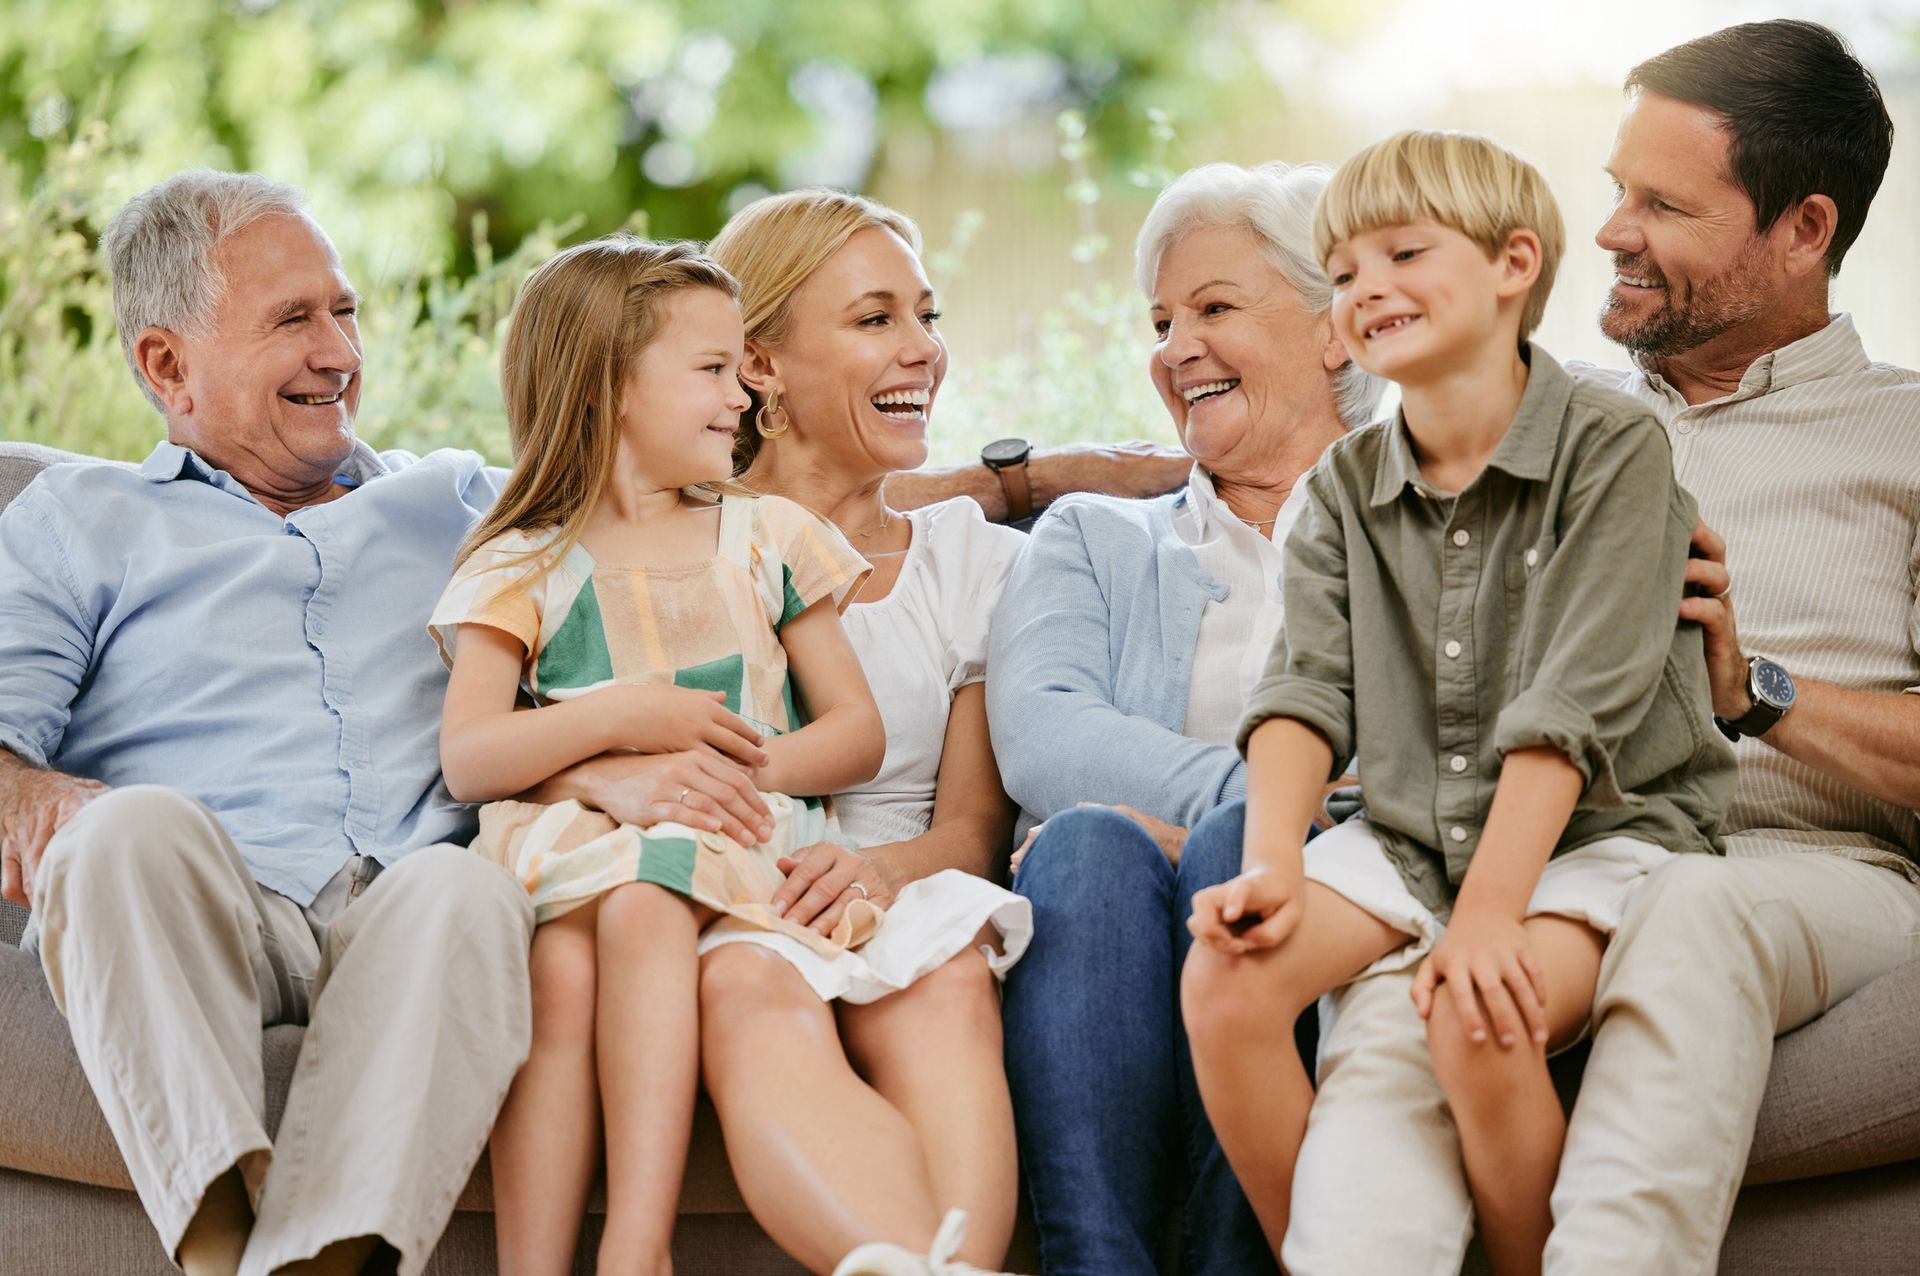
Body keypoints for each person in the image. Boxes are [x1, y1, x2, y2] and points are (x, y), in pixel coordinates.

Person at [1279, 22, 1920, 1276]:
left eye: (1665, 204)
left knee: (1693, 904)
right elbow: (1322, 458)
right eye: (1617, 189)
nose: (1615, 230)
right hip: (1547, 847)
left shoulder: (1904, 438)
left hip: (1802, 867)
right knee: (1407, 994)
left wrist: (1755, 689)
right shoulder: (1537, 412)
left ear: (1804, 229)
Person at [1179, 129, 1736, 1274]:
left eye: (1403, 252)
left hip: (1601, 834)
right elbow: (1303, 688)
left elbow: (1573, 707)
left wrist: (1488, 916)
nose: (1366, 287)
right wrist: (1276, 860)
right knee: (1229, 978)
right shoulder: (1342, 485)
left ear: (1512, 264)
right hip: (1408, 834)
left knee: (1479, 1008)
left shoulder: (1615, 449)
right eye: (1341, 274)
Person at [0, 171, 540, 1276]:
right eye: (294, 319)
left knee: (468, 887)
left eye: (344, 311)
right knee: (117, 833)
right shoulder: (81, 521)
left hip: (401, 898)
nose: (339, 352)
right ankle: (218, 1249)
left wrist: (992, 489)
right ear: (166, 364)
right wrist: (31, 788)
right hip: (200, 906)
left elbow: (730, 509)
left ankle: (313, 1263)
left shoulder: (459, 497)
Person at [985, 160, 1387, 1276]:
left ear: (1338, 329)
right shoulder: (1094, 537)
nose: (1173, 349)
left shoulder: (1419, 528)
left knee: (1228, 851)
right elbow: (1045, 732)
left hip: (1327, 896)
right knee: (1086, 843)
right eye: (1162, 320)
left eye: (1215, 308)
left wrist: (1242, 832)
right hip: (1115, 898)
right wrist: (1263, 801)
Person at [704, 192, 1035, 1276]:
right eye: (876, 319)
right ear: (761, 364)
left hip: (905, 880)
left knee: (943, 982)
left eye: (927, 315)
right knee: (748, 985)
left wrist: (875, 873)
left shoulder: (969, 560)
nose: (924, 350)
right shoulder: (675, 542)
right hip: (733, 894)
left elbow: (975, 828)